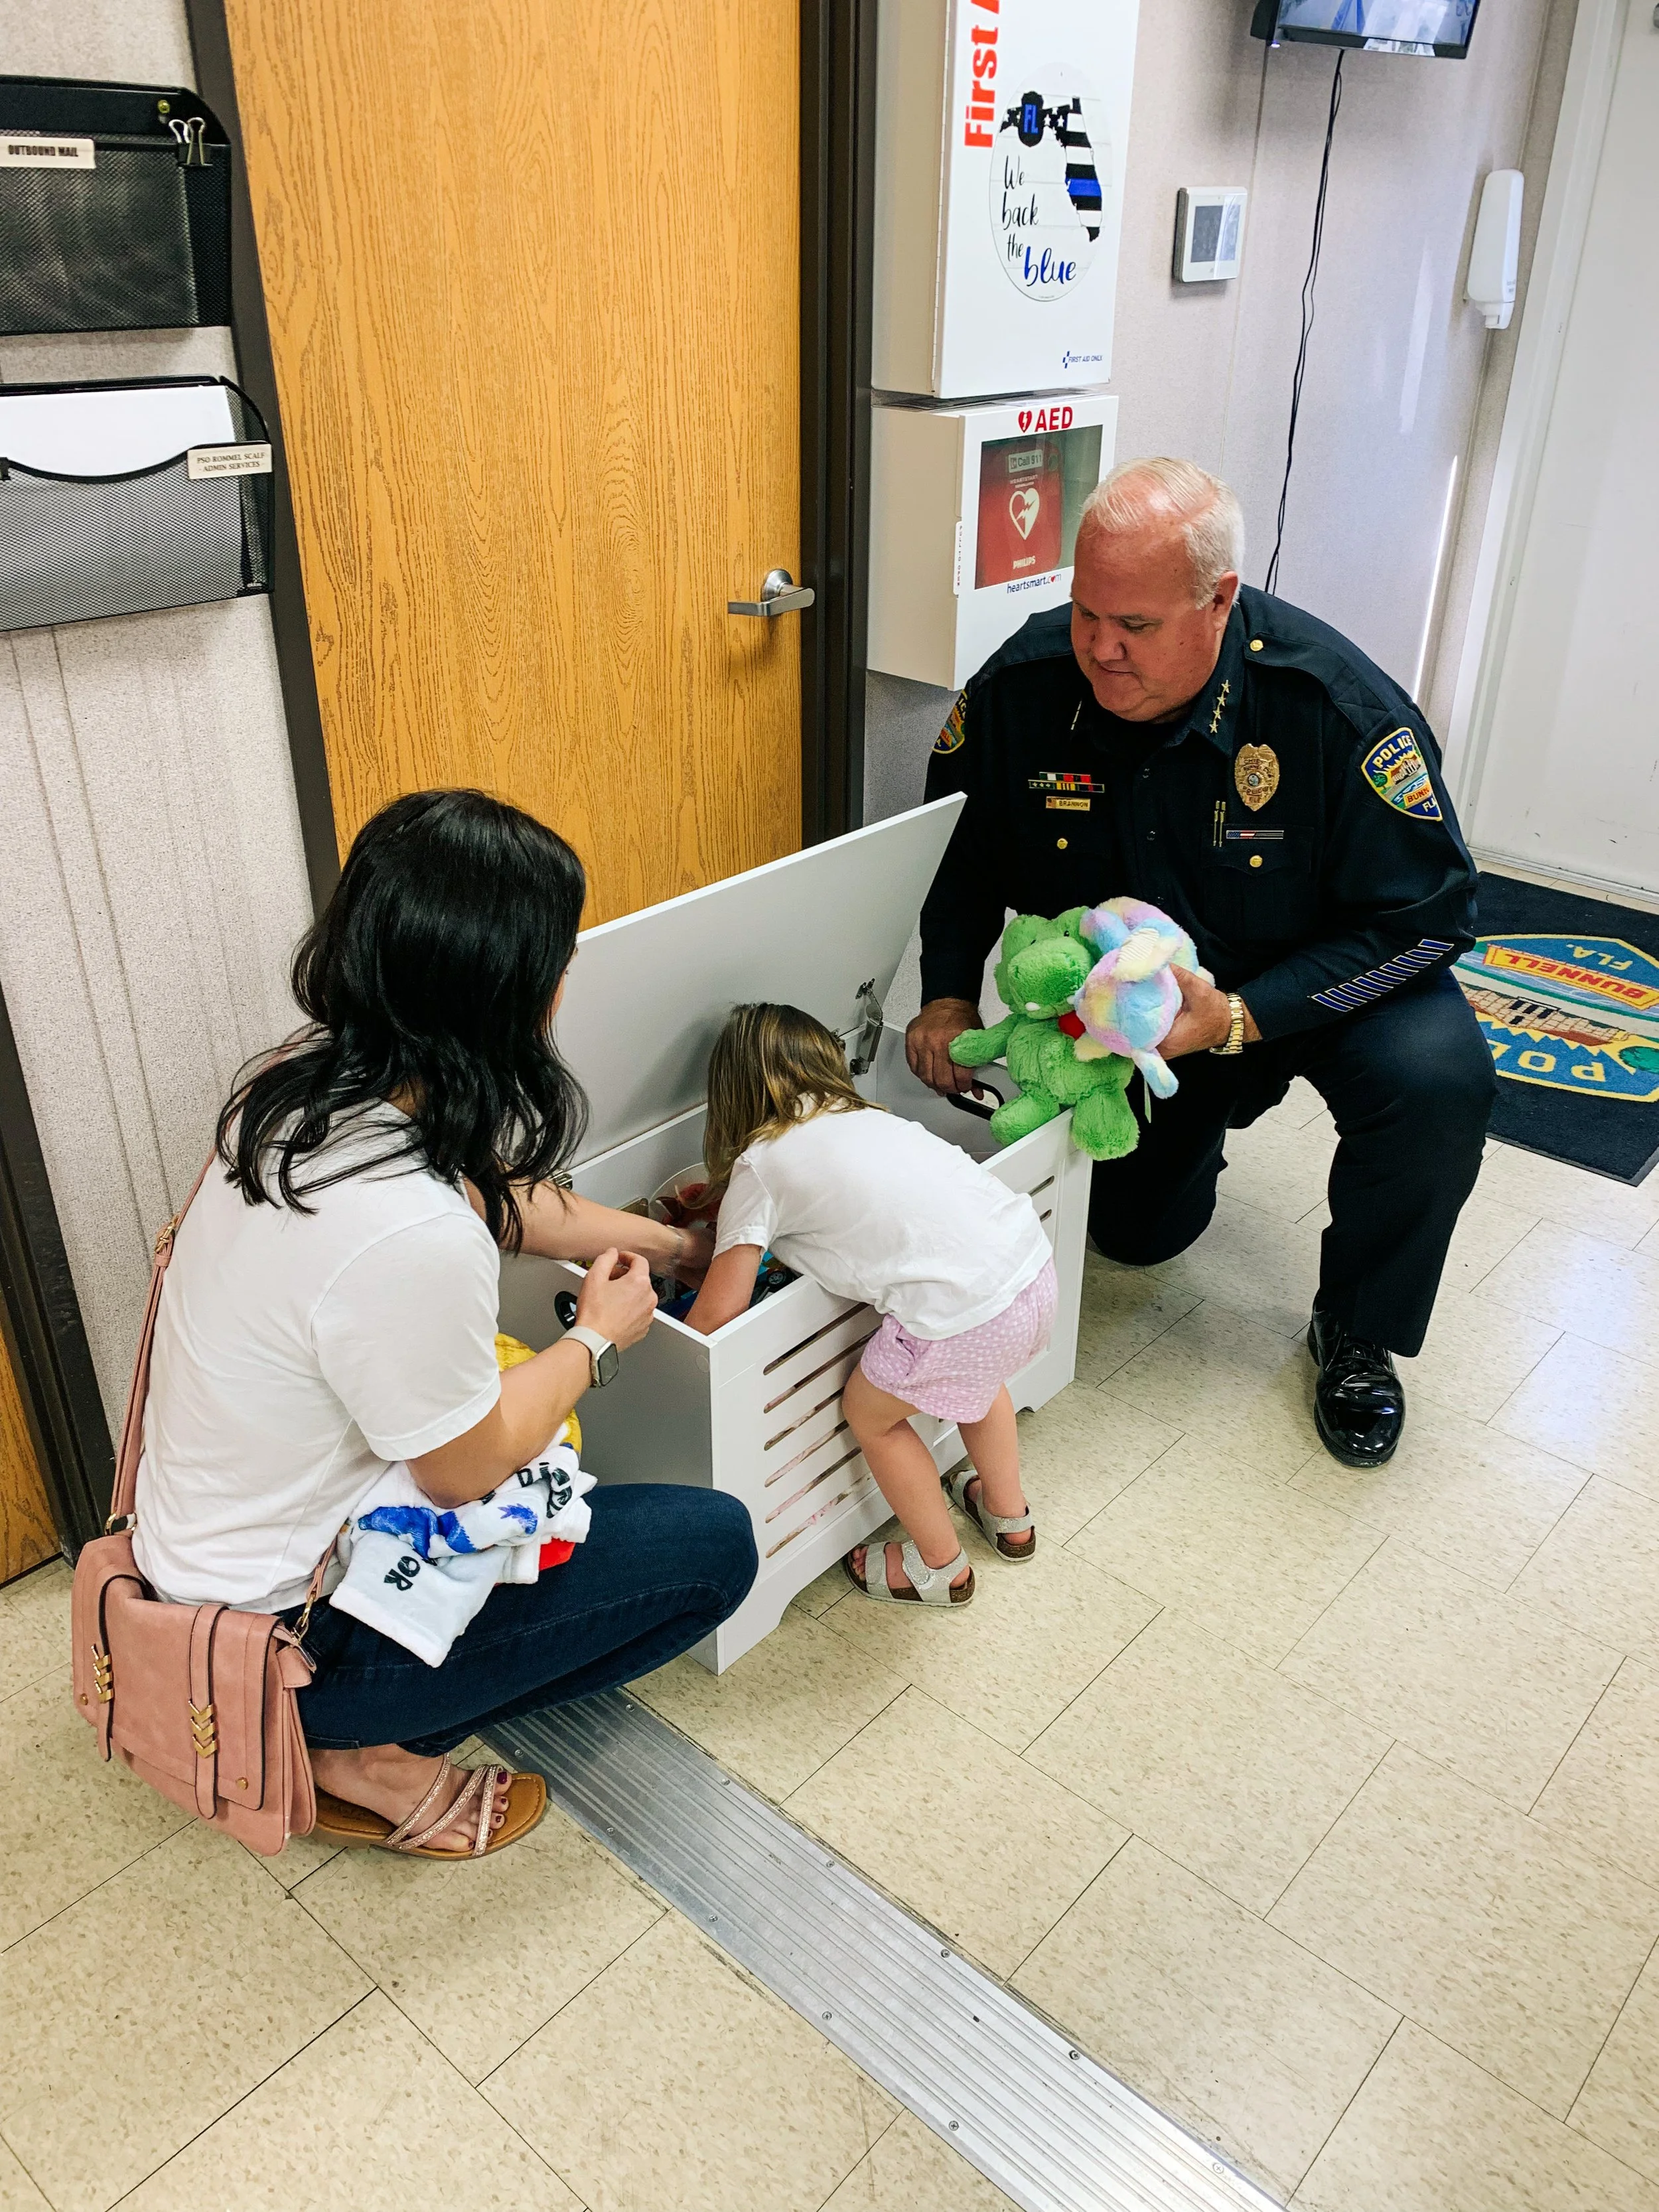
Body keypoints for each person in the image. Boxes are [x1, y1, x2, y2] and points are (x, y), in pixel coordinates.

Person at [133, 790, 757, 1859]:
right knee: (715, 1550)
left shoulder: (293, 1090)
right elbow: (458, 1471)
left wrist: (679, 1247)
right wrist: (596, 1337)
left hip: (202, 1556)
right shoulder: (409, 1236)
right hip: (289, 1635)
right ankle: (353, 1743)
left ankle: (356, 1719)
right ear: (522, 992)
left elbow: (499, 1194)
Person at [906, 457, 1495, 1469]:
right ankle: (1199, 1135)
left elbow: (1430, 919)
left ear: (1220, 601)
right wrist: (949, 991)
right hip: (1145, 1017)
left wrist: (1243, 1017)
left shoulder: (1330, 708)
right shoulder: (1026, 690)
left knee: (1438, 1079)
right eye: (1087, 610)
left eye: (1134, 626)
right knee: (1137, 1237)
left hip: (1318, 981)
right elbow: (954, 854)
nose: (1099, 648)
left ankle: (1360, 1329)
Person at [682, 1003, 1054, 1605]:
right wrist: (727, 1208)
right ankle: (1009, 1517)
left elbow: (718, 1312)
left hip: (958, 1319)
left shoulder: (760, 1162)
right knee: (981, 1384)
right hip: (1028, 1269)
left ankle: (940, 1568)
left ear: (730, 1093)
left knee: (872, 1413)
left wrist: (658, 1336)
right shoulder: (868, 1116)